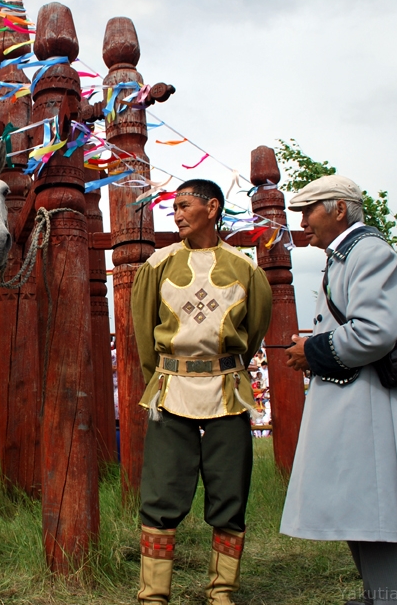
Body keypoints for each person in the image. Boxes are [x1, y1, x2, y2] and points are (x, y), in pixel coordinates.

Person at [281, 175, 397, 605]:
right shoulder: (348, 255)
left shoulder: (369, 252)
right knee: (360, 508)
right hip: (354, 398)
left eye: (309, 210)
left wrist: (313, 349)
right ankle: (381, 595)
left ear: (339, 209)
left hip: (369, 402)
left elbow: (374, 332)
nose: (303, 220)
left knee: (378, 508)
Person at [131, 179, 272, 604]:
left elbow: (255, 330)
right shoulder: (157, 265)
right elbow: (142, 335)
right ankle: (153, 594)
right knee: (160, 492)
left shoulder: (246, 268)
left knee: (230, 491)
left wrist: (224, 365)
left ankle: (222, 592)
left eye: (184, 205)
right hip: (172, 391)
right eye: (173, 207)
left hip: (227, 394)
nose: (175, 214)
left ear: (212, 208)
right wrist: (159, 381)